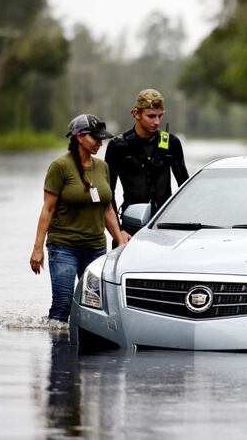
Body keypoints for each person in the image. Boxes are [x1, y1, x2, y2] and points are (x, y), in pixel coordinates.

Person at [29, 114, 129, 324]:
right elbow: (48, 209)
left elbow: (107, 208)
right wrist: (38, 248)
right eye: (95, 138)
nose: (100, 143)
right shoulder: (60, 167)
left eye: (102, 139)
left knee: (94, 308)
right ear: (79, 137)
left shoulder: (103, 167)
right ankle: (59, 353)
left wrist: (119, 239)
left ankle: (87, 356)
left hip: (95, 248)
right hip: (64, 247)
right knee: (63, 307)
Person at [105, 88, 189, 234]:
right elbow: (108, 192)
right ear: (136, 113)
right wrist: (118, 232)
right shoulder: (118, 146)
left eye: (160, 116)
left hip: (164, 226)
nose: (157, 122)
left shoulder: (171, 143)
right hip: (130, 227)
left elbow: (185, 186)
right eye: (151, 116)